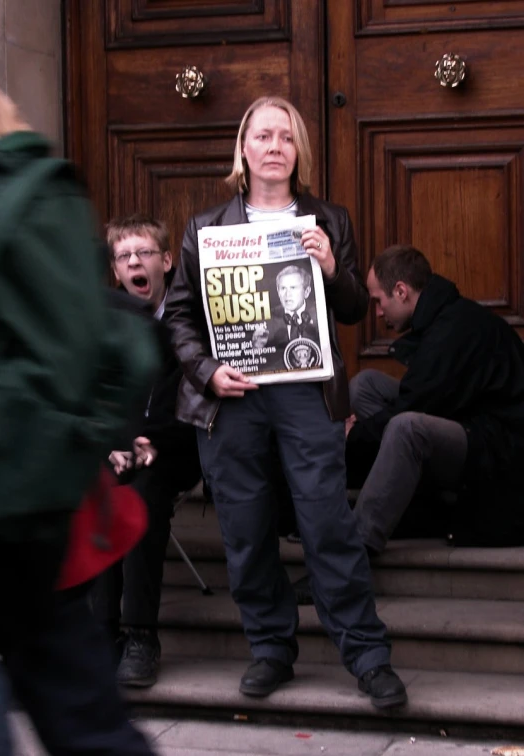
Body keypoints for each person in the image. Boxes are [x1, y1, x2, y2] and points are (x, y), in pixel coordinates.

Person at [165, 96, 407, 709]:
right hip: (233, 400)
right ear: (243, 150)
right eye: (264, 136)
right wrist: (206, 370)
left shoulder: (329, 219)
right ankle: (271, 649)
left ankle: (367, 655)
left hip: (305, 394)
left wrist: (330, 266)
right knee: (246, 531)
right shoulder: (205, 229)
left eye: (287, 137)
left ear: (298, 152)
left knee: (328, 524)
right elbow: (180, 319)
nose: (275, 146)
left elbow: (354, 309)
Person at [0, 79, 156, 755]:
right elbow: (125, 344)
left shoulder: (9, 202)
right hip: (37, 500)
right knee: (78, 699)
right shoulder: (49, 194)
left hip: (9, 482)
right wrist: (82, 437)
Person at [348, 244, 524, 555]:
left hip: (498, 452)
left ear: (401, 291)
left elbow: (413, 407)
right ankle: (398, 496)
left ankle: (351, 556)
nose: (377, 313)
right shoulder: (442, 317)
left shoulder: (452, 330)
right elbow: (423, 396)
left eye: (378, 301)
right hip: (468, 421)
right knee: (365, 386)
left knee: (406, 428)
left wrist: (351, 436)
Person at [92, 214, 201, 688]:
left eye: (145, 253)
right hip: (120, 446)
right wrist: (114, 443)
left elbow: (198, 397)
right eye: (124, 256)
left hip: (180, 444)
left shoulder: (192, 319)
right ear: (115, 271)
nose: (135, 262)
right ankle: (101, 634)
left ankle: (141, 635)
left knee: (141, 491)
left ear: (167, 261)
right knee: (98, 487)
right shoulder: (103, 327)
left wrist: (150, 442)